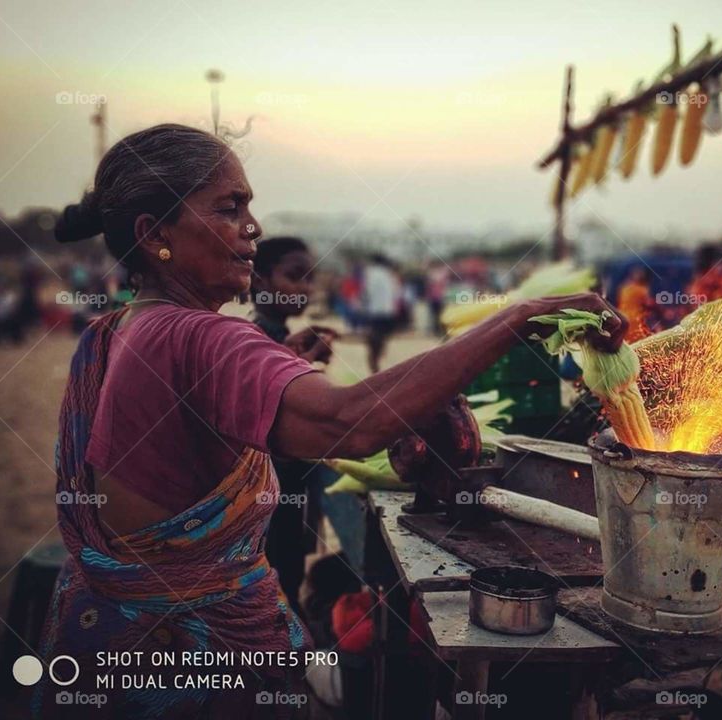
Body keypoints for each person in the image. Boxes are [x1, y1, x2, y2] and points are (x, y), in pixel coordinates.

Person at [43, 123, 626, 718]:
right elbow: (349, 423)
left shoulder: (115, 329)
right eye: (230, 207)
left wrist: (285, 369)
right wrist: (517, 319)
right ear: (154, 233)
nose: (254, 227)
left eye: (250, 205)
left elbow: (199, 425)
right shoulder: (203, 337)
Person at [249, 236, 338, 614]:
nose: (305, 288)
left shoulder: (279, 336)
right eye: (294, 276)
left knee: (289, 573)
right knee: (278, 582)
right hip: (270, 495)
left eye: (310, 278)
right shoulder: (255, 339)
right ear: (259, 280)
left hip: (287, 491)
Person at [362, 254, 401, 373]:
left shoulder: (370, 273)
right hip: (388, 311)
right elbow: (397, 293)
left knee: (374, 339)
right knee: (383, 338)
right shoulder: (389, 274)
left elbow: (367, 291)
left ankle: (373, 363)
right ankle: (377, 361)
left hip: (375, 310)